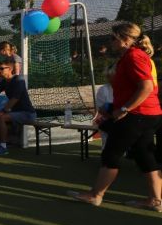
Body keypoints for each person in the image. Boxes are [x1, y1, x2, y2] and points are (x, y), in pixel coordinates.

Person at [69, 23, 162, 210]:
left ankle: (95, 195)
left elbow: (146, 87)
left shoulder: (134, 56)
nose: (110, 42)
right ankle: (155, 200)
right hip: (149, 114)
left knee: (111, 153)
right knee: (144, 156)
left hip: (137, 115)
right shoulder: (131, 56)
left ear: (125, 40)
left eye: (113, 38)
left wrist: (125, 108)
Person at [0, 56, 37, 156]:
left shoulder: (19, 80)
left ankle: (3, 147)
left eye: (1, 68)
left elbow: (15, 99)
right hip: (15, 112)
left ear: (10, 69)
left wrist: (4, 111)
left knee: (0, 117)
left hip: (27, 113)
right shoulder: (3, 81)